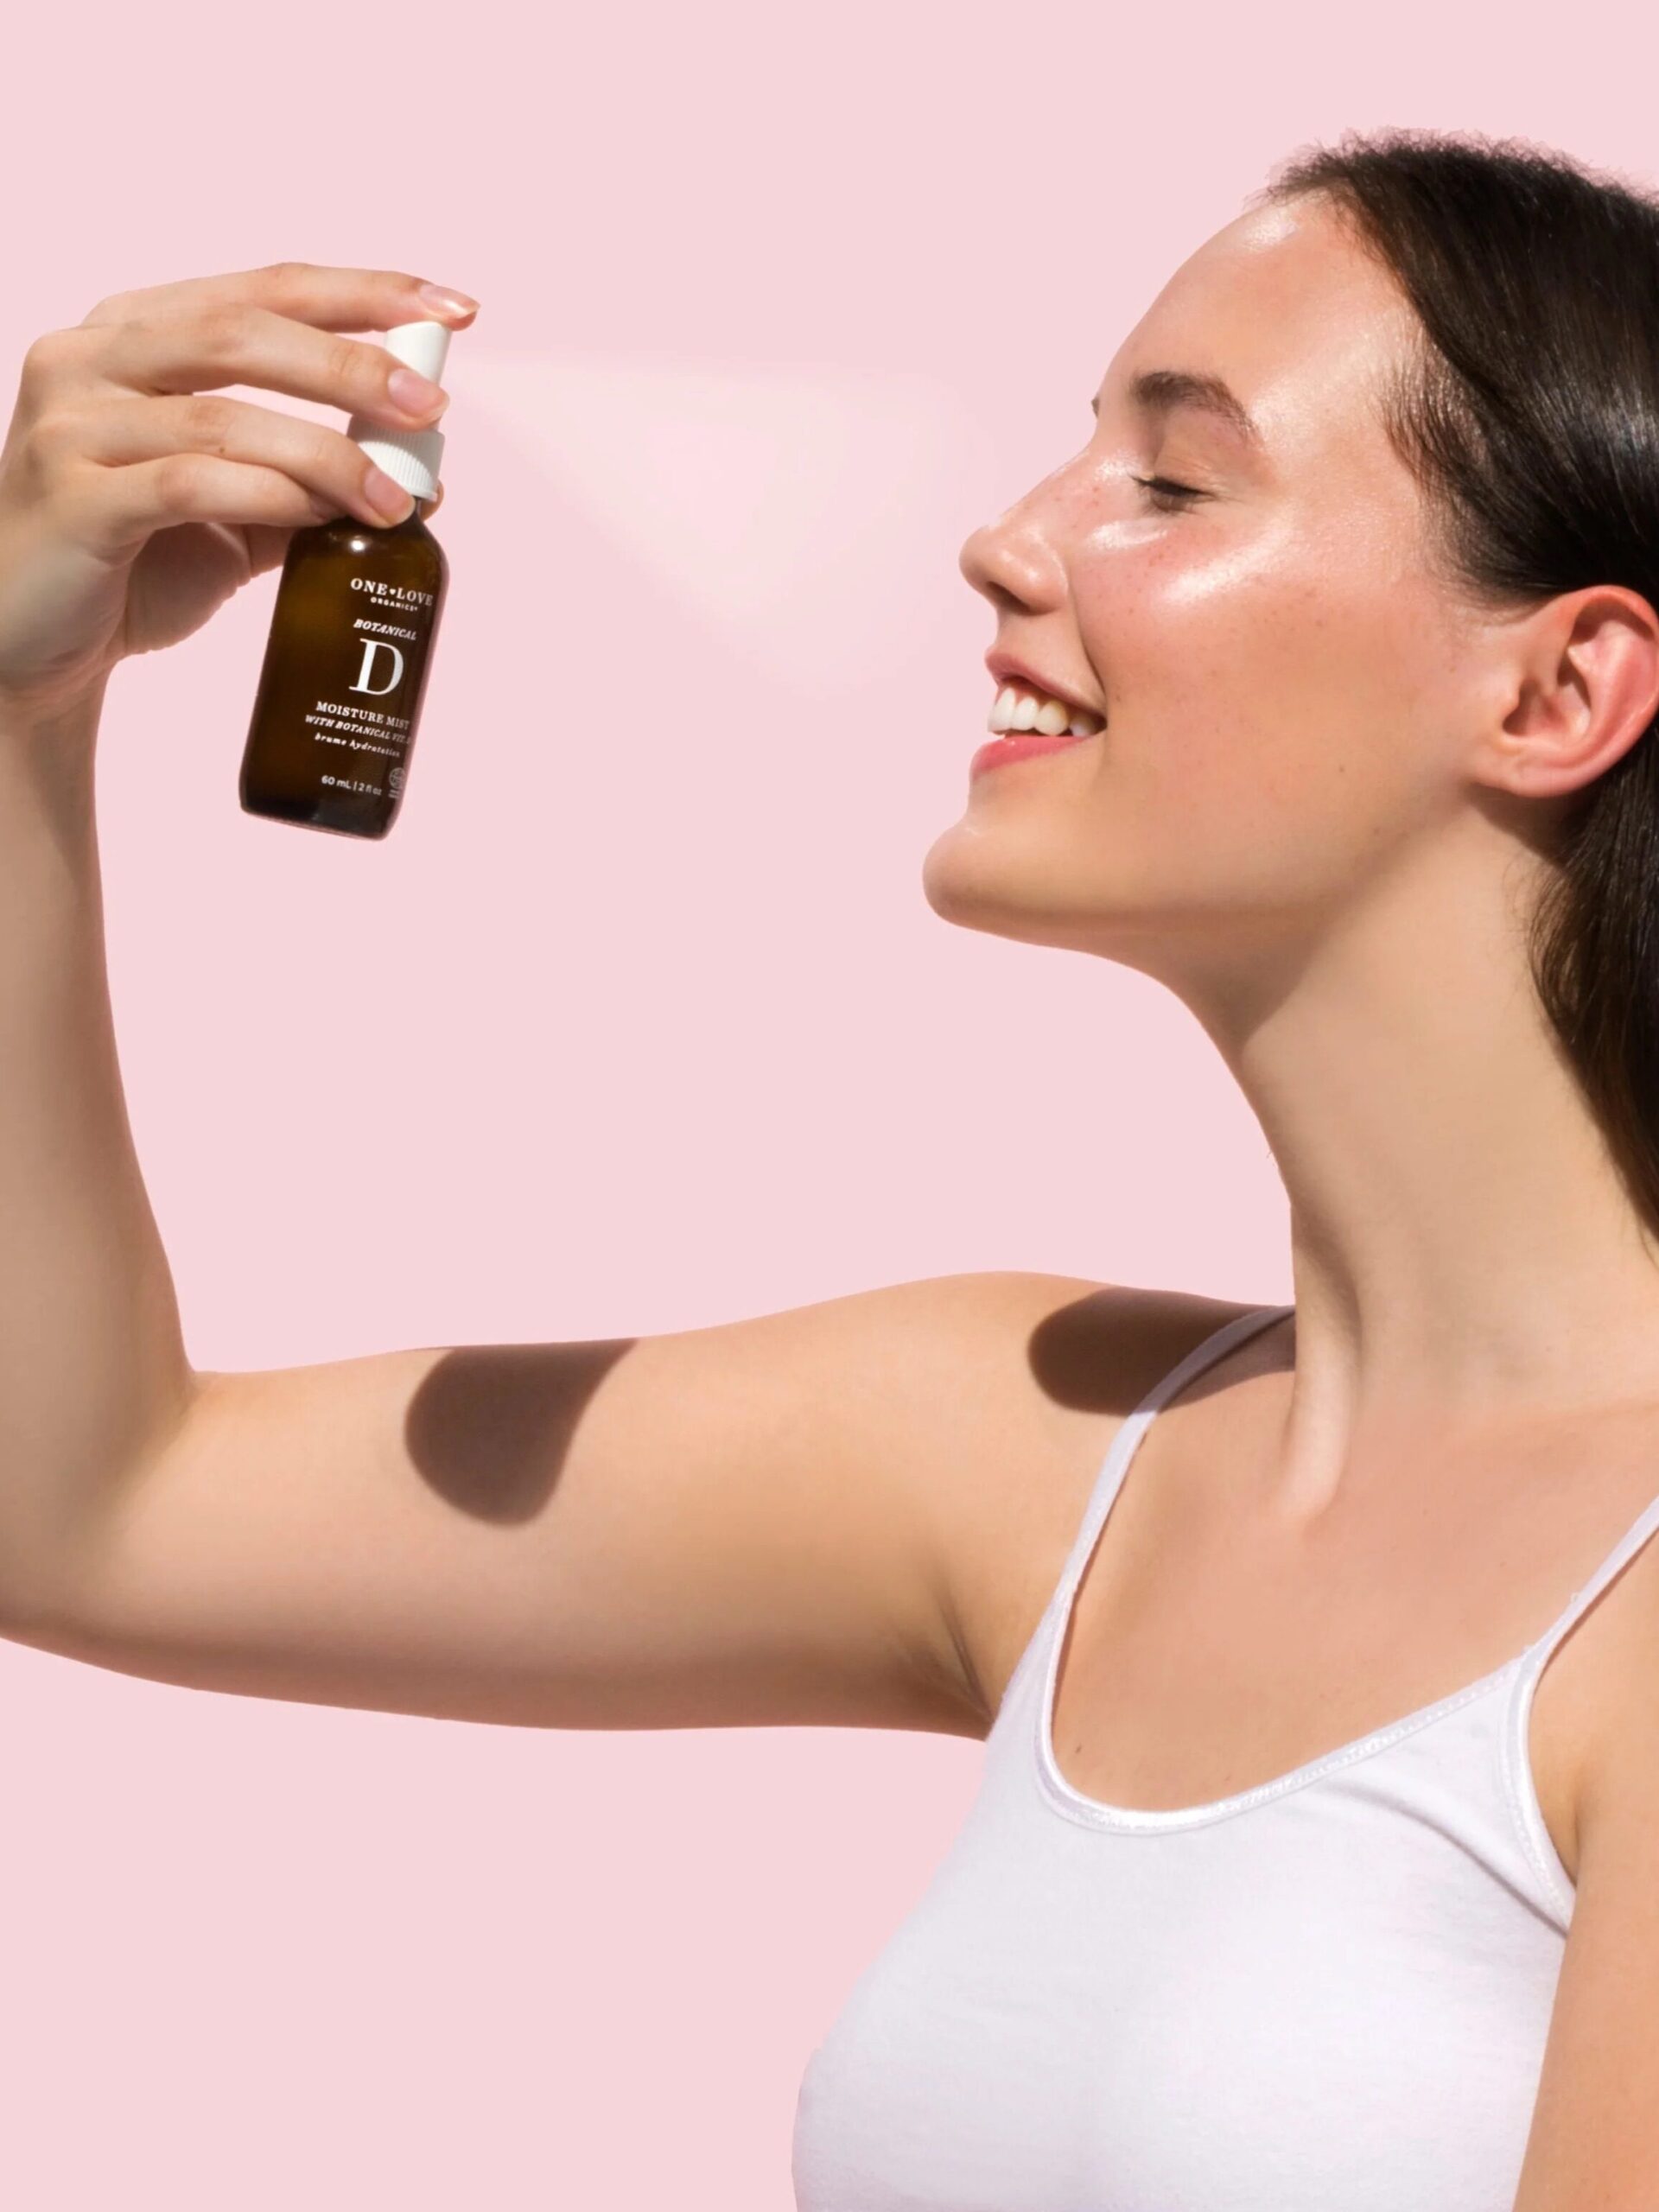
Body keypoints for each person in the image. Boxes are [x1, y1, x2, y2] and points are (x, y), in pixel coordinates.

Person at [2, 119, 1657, 2209]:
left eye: (1170, 480)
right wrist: (22, 707)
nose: (1005, 540)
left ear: (1561, 682)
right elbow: (80, 1500)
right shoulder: (1045, 1452)